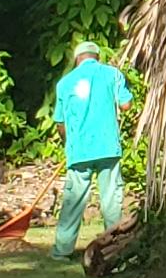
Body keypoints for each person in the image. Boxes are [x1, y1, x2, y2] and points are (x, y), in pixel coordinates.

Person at [49, 40, 134, 251]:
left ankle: (62, 249)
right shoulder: (112, 74)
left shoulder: (64, 83)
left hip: (79, 150)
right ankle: (112, 247)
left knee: (73, 201)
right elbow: (126, 105)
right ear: (97, 57)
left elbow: (60, 122)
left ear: (77, 59)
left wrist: (68, 142)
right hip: (107, 147)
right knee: (111, 201)